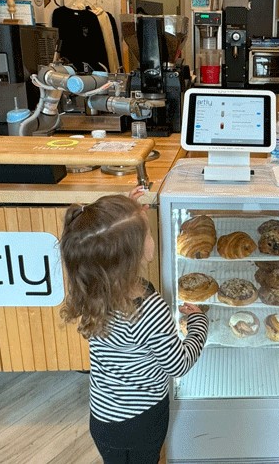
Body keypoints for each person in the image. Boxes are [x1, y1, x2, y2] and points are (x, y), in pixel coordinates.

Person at [60, 187, 208, 463]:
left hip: (103, 420)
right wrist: (199, 323)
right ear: (134, 253)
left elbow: (106, 245)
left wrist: (125, 215)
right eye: (147, 234)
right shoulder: (151, 311)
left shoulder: (90, 291)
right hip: (142, 421)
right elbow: (178, 365)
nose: (152, 236)